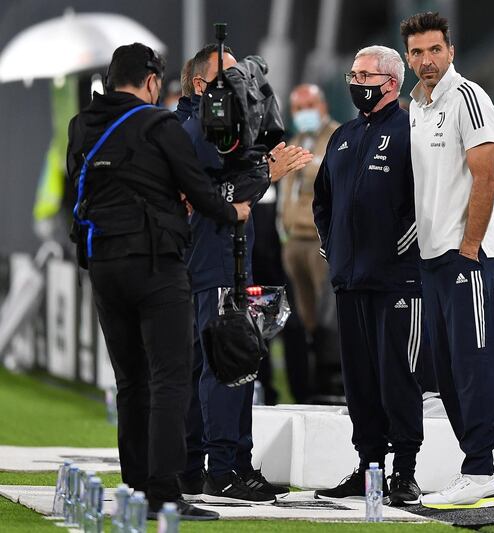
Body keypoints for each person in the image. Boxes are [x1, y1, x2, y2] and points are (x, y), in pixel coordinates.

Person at [66, 43, 252, 520]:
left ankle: (134, 484)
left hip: (103, 264)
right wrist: (235, 211)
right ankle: (163, 492)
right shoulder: (159, 123)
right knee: (170, 378)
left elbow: (88, 187)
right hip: (155, 265)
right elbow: (200, 189)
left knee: (131, 381)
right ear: (152, 81)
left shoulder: (81, 125)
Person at [177, 43, 311, 503]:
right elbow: (217, 197)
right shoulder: (196, 130)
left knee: (208, 365)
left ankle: (194, 466)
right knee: (228, 363)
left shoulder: (213, 128)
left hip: (216, 263)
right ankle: (225, 467)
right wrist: (266, 173)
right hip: (213, 262)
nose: (242, 85)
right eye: (229, 77)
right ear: (201, 85)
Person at [312, 45, 424, 506]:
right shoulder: (343, 135)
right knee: (358, 381)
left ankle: (405, 472)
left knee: (398, 377)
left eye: (364, 75)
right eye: (353, 73)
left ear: (391, 83)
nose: (355, 82)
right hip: (350, 282)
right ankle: (369, 467)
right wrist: (331, 245)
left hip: (398, 281)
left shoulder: (411, 131)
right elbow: (323, 199)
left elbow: (426, 203)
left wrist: (399, 250)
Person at [402, 11, 494, 509]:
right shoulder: (415, 107)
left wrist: (470, 247)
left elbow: (486, 178)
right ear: (407, 58)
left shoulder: (469, 97)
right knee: (442, 372)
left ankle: (483, 467)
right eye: (417, 52)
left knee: (473, 364)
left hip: (466, 257)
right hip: (429, 258)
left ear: (451, 51)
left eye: (434, 50)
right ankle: (475, 467)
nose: (427, 61)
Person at [279, 83, 340, 402]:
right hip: (294, 241)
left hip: (320, 241)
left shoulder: (337, 138)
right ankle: (313, 381)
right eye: (298, 108)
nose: (304, 113)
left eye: (309, 105)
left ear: (323, 104)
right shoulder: (295, 141)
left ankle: (333, 380)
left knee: (330, 312)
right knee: (305, 317)